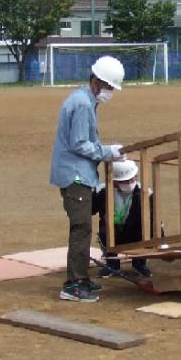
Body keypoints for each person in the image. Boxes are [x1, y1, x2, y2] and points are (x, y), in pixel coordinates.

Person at [49, 55, 126, 302]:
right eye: (110, 87)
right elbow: (80, 143)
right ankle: (73, 283)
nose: (111, 92)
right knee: (81, 228)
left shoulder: (84, 101)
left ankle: (81, 278)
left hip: (79, 174)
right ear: (97, 81)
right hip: (76, 176)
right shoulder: (82, 104)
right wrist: (108, 152)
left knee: (82, 227)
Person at [93, 158, 153, 279]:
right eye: (125, 181)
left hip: (135, 231)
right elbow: (91, 209)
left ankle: (139, 264)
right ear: (114, 181)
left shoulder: (146, 193)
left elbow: (153, 219)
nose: (131, 183)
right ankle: (112, 265)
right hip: (113, 232)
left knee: (148, 229)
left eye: (133, 178)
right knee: (105, 231)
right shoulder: (103, 190)